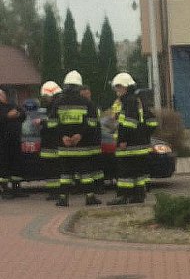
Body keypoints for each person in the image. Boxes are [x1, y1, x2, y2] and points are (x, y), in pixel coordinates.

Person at [50, 70, 103, 207]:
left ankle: (63, 199)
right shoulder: (86, 103)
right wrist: (80, 135)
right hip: (82, 147)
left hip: (65, 147)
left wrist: (63, 136)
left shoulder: (57, 103)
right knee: (85, 173)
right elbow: (92, 123)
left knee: (65, 174)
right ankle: (90, 198)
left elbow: (52, 124)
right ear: (79, 86)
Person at [107, 72, 158, 205]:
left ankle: (123, 196)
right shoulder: (139, 100)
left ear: (126, 87)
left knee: (125, 172)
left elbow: (128, 123)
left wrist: (123, 140)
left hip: (129, 146)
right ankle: (138, 196)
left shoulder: (128, 101)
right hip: (140, 144)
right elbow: (152, 121)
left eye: (119, 87)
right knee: (138, 173)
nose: (117, 90)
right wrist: (144, 135)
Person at [0, 88, 28, 199]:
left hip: (15, 142)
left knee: (17, 166)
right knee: (4, 167)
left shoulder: (12, 105)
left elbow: (23, 114)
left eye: (2, 94)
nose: (1, 97)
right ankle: (5, 190)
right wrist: (7, 116)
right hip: (3, 143)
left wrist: (17, 114)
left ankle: (17, 190)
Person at [38, 81, 62, 200]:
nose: (45, 99)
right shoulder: (55, 105)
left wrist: (42, 122)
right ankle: (54, 192)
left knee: (53, 169)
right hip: (53, 143)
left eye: (45, 97)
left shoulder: (55, 105)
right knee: (53, 169)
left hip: (52, 143)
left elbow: (53, 123)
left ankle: (55, 192)